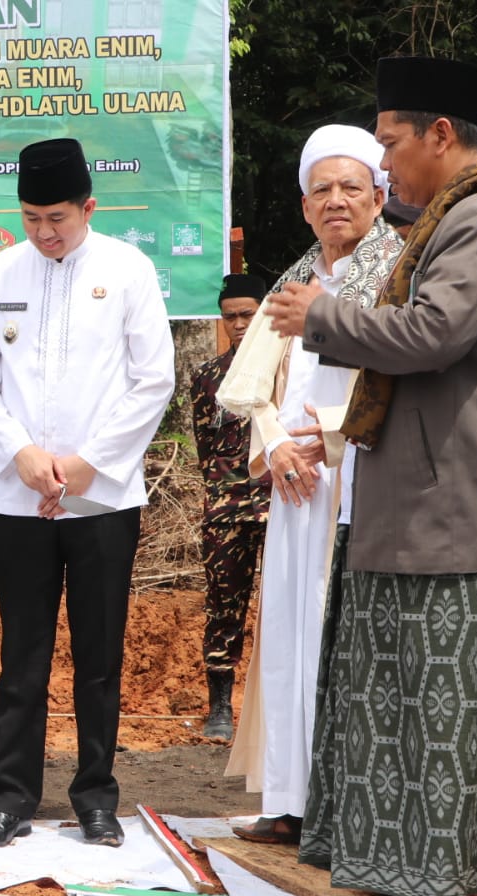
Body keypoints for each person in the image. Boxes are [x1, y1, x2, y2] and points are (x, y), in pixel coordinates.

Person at [267, 56, 477, 896]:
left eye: (392, 145)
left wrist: (319, 317)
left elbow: (433, 332)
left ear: (441, 134)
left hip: (461, 512)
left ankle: (459, 895)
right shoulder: (442, 216)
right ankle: (405, 875)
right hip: (420, 505)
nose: (384, 167)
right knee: (399, 705)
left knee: (452, 716)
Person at [0, 137, 177, 849]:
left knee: (99, 657)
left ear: (88, 207)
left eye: (57, 218)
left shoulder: (128, 269)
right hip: (18, 498)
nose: (45, 233)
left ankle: (95, 798)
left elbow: (153, 380)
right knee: (21, 658)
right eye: (30, 218)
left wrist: (88, 465)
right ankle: (10, 798)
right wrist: (20, 455)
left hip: (101, 499)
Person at [223, 125, 403, 845]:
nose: (335, 202)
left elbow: (403, 376)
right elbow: (251, 390)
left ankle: (344, 808)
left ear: (379, 197)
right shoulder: (292, 285)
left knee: (346, 643)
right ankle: (291, 799)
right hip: (295, 493)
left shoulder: (400, 277)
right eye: (321, 190)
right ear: (303, 208)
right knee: (291, 642)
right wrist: (276, 447)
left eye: (350, 188)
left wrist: (326, 438)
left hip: (366, 484)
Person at [190, 273, 271, 741]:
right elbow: (206, 449)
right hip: (226, 508)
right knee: (224, 604)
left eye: (247, 315)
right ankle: (219, 708)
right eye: (230, 317)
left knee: (283, 606)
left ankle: (274, 707)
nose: (239, 324)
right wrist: (222, 492)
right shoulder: (208, 377)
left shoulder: (288, 368)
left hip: (280, 503)